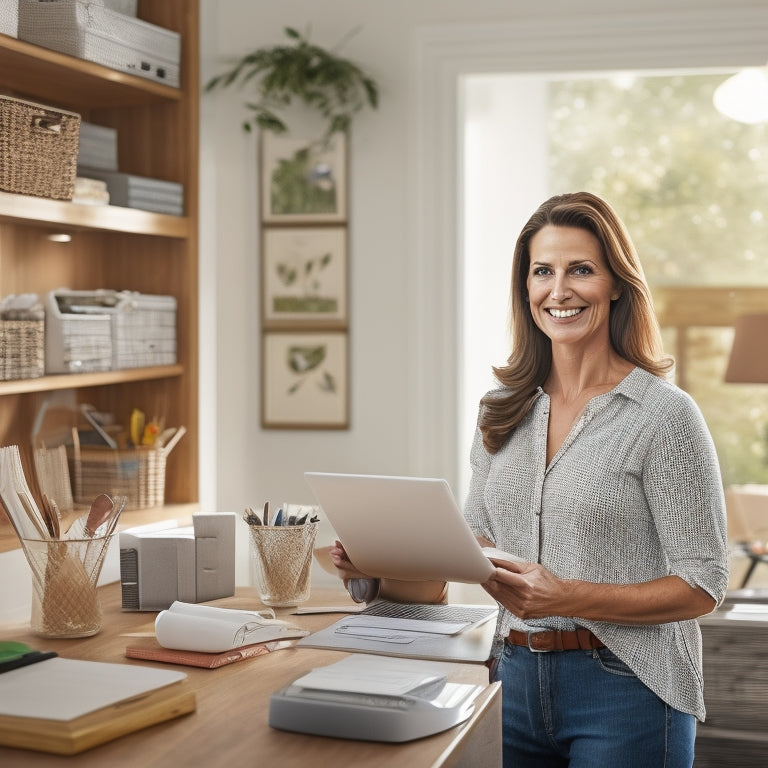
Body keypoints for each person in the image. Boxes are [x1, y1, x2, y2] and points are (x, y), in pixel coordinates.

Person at [331, 191, 729, 768]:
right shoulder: (502, 409)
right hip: (508, 679)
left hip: (627, 692)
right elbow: (473, 551)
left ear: (616, 284)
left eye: (581, 270)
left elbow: (702, 585)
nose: (558, 290)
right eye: (542, 271)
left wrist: (567, 596)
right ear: (525, 287)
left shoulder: (662, 416)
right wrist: (382, 561)